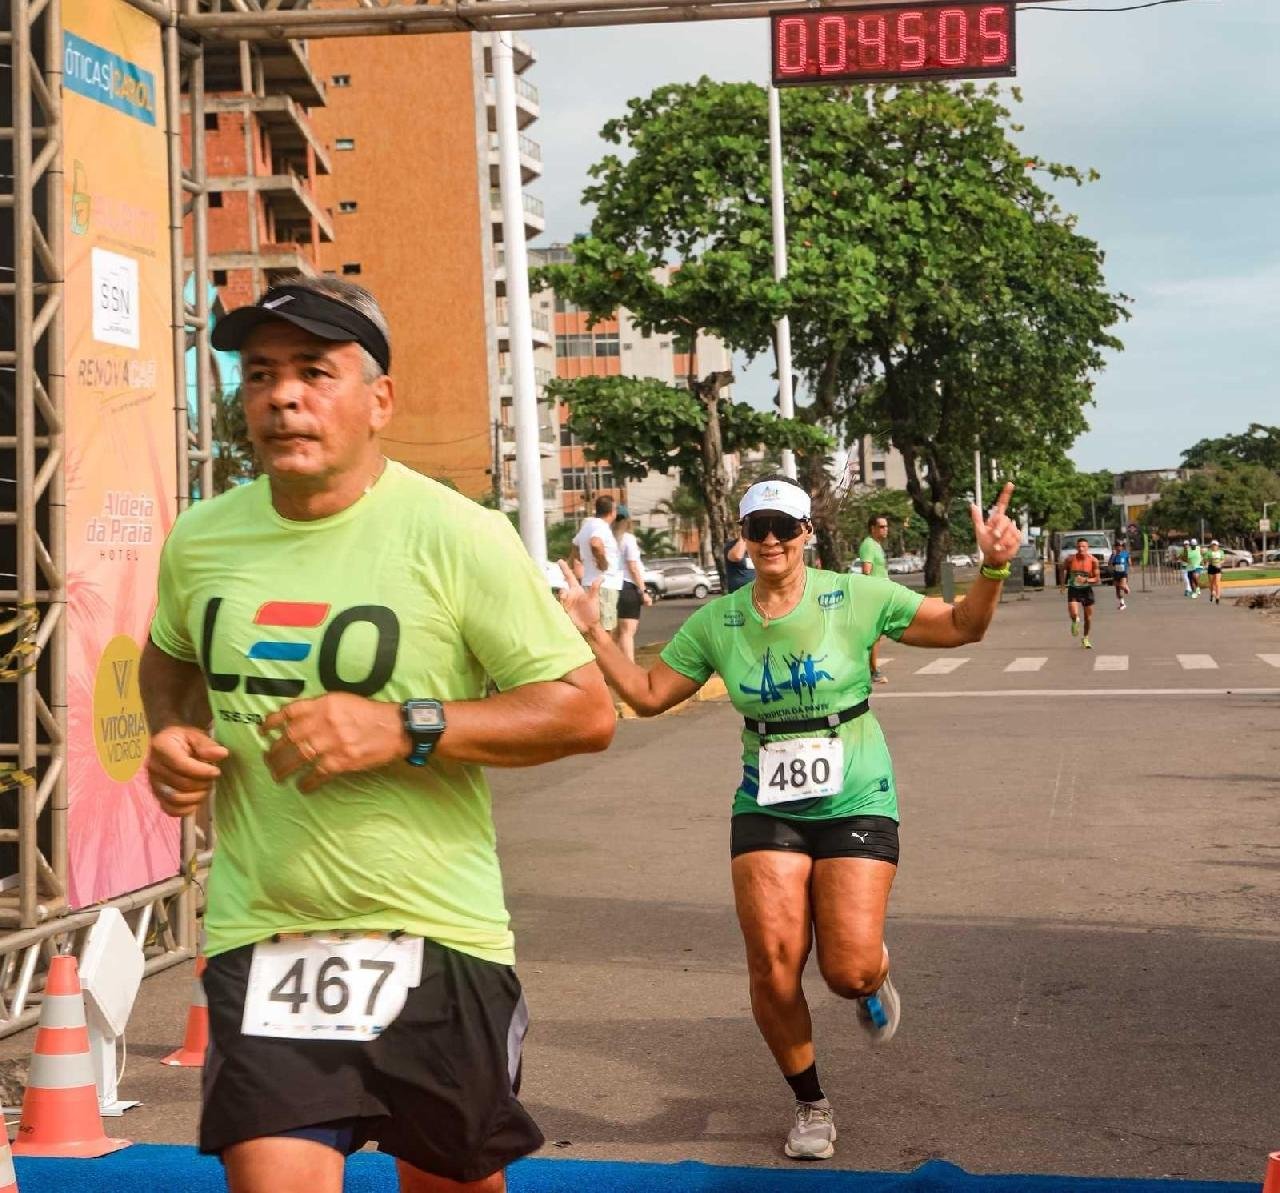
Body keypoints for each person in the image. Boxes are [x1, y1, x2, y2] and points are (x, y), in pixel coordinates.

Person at [140, 276, 616, 1193]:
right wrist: (170, 734)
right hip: (265, 930)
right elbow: (167, 657)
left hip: (435, 932)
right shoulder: (202, 540)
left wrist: (405, 726)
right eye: (260, 374)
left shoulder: (458, 536)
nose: (282, 396)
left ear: (380, 400)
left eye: (316, 372)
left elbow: (583, 708)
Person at [557, 476, 1023, 1163]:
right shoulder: (721, 619)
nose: (770, 538)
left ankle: (872, 973)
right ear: (742, 537)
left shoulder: (854, 596)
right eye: (757, 526)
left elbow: (962, 626)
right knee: (774, 966)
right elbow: (651, 694)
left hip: (856, 792)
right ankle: (811, 1101)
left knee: (846, 969)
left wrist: (991, 567)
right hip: (766, 800)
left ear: (807, 532)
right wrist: (593, 631)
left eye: (783, 525)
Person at [571, 496, 624, 632]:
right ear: (612, 511)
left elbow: (575, 546)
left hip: (590, 583)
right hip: (604, 585)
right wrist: (602, 563)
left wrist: (584, 560)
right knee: (605, 631)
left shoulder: (588, 525)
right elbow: (595, 543)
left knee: (593, 631)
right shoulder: (600, 526)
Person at [614, 508, 653, 662]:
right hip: (627, 587)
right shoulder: (628, 539)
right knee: (627, 632)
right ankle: (630, 668)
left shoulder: (608, 538)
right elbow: (633, 567)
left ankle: (611, 671)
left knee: (615, 634)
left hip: (611, 586)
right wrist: (643, 591)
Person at [856, 515, 892, 683]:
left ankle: (869, 669)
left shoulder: (876, 545)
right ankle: (872, 670)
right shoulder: (868, 545)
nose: (886, 529)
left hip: (881, 594)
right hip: (874, 595)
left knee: (876, 635)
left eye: (886, 526)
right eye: (882, 526)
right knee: (874, 634)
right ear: (873, 528)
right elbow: (867, 571)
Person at [1065, 537, 1100, 649]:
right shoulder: (1070, 559)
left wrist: (1086, 580)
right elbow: (1062, 569)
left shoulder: (1093, 560)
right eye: (1079, 546)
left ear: (1087, 548)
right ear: (1076, 547)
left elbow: (1097, 579)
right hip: (1073, 589)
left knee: (1088, 618)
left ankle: (1085, 638)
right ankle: (1075, 621)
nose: (1081, 548)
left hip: (1086, 590)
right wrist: (1062, 584)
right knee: (1074, 613)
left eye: (1083, 546)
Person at [1109, 541, 1131, 611]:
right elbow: (1110, 563)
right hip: (1116, 573)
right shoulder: (1113, 554)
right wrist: (1113, 556)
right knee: (1117, 592)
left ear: (1122, 547)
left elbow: (1129, 562)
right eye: (1117, 546)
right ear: (1115, 547)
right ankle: (1122, 604)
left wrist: (1129, 566)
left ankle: (1125, 586)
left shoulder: (1125, 553)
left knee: (1122, 586)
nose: (1119, 547)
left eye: (1120, 546)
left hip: (1123, 573)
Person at [1204, 539, 1225, 604]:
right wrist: (1206, 565)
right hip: (1211, 567)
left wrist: (1220, 563)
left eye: (1215, 545)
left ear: (1217, 546)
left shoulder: (1221, 552)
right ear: (1211, 546)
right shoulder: (1208, 552)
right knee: (1211, 583)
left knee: (1217, 582)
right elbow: (1206, 560)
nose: (1214, 546)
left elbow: (1223, 560)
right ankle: (1212, 592)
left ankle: (1218, 597)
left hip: (1218, 568)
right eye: (1213, 545)